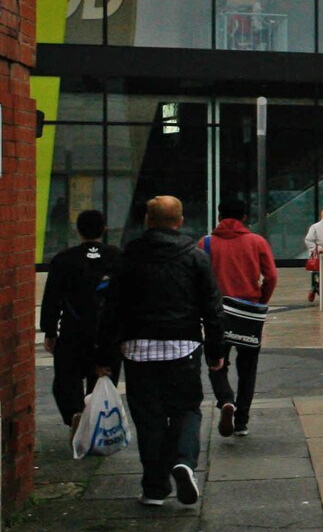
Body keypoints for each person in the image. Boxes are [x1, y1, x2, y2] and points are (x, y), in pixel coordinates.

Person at [96, 196, 225, 507]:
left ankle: (155, 488)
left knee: (149, 417)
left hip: (137, 350)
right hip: (183, 346)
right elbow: (212, 308)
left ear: (147, 220)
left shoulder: (127, 258)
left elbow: (111, 311)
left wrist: (104, 358)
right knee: (187, 409)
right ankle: (183, 461)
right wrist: (215, 350)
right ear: (179, 221)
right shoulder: (196, 258)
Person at [202, 199, 277, 437]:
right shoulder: (257, 242)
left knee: (216, 362)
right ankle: (242, 421)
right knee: (248, 368)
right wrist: (260, 301)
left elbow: (198, 278)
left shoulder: (206, 243)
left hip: (218, 313)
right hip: (248, 312)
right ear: (244, 217)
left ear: (219, 217)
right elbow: (271, 276)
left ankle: (226, 399)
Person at [40, 209, 119, 429]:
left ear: (78, 230)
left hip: (73, 332)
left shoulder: (64, 259)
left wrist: (49, 331)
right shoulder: (116, 257)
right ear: (104, 229)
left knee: (67, 380)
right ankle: (95, 421)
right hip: (108, 333)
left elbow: (52, 299)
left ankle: (75, 414)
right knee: (103, 382)